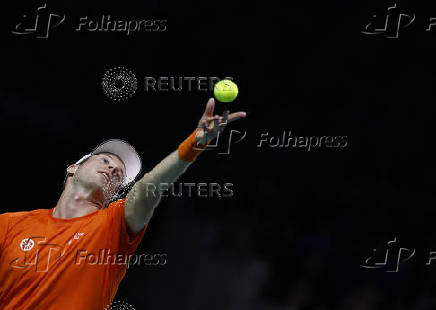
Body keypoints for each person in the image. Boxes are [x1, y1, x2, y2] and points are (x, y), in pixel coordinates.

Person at [0, 98, 246, 310]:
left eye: (119, 175)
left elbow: (149, 186)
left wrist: (194, 144)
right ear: (73, 167)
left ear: (115, 194)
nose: (111, 168)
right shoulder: (10, 225)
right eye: (105, 159)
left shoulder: (112, 226)